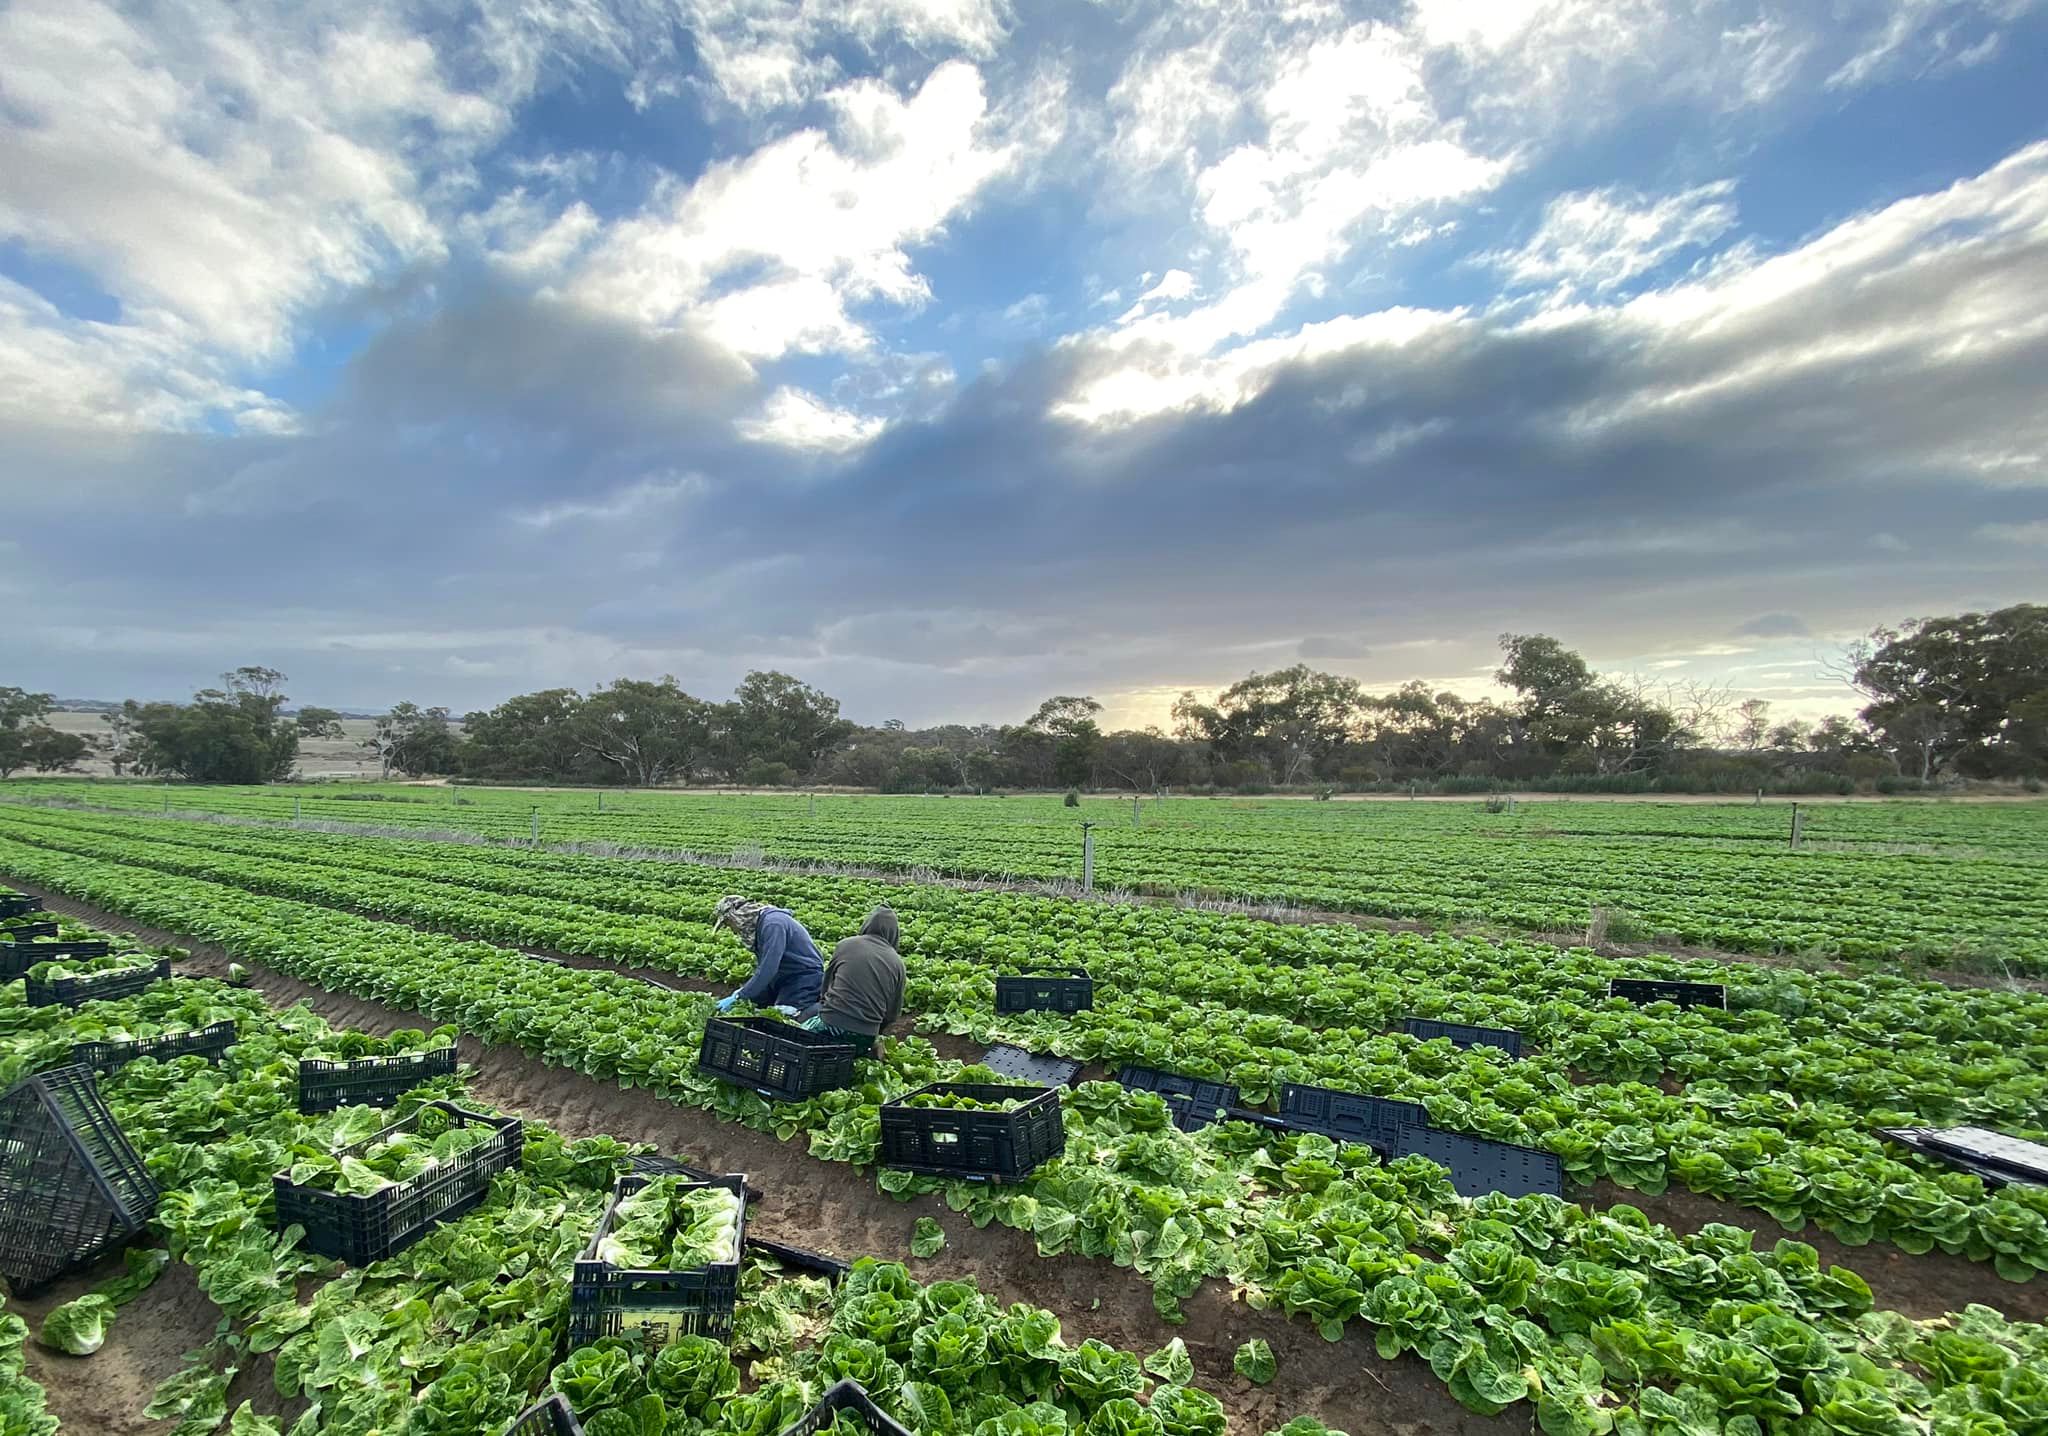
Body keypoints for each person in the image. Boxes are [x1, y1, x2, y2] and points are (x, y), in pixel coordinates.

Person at [802, 906, 906, 1057]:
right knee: (852, 1053)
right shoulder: (898, 963)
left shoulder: (846, 945)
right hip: (865, 1036)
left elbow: (825, 988)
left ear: (867, 925)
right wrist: (874, 1031)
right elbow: (892, 1013)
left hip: (831, 1025)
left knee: (800, 1030)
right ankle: (867, 1052)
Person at [710, 895, 824, 1015]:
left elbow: (768, 968)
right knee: (751, 1003)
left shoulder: (773, 924)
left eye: (728, 924)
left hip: (803, 977)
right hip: (780, 977)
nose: (731, 930)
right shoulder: (759, 925)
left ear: (736, 917)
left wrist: (740, 995)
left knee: (784, 1018)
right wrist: (743, 992)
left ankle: (817, 1012)